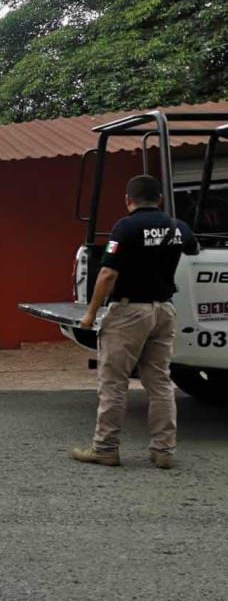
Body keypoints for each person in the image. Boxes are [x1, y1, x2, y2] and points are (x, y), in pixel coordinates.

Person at [73, 175, 199, 469]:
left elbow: (107, 274)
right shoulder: (177, 227)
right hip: (164, 311)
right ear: (161, 199)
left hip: (129, 312)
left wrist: (90, 314)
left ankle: (105, 448)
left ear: (128, 200)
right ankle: (163, 451)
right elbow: (193, 249)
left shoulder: (125, 227)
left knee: (113, 382)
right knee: (160, 382)